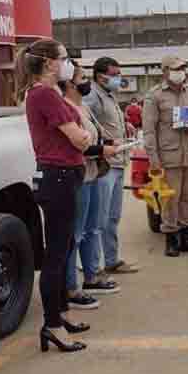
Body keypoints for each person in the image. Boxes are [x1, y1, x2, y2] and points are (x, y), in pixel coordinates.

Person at [17, 39, 92, 353]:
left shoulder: (50, 93)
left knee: (65, 246)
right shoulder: (44, 94)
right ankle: (52, 325)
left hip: (63, 177)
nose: (68, 64)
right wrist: (84, 135)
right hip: (58, 178)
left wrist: (84, 137)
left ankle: (61, 314)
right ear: (49, 63)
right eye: (64, 58)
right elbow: (79, 140)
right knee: (57, 254)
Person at [143, 55, 188, 257]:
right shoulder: (155, 96)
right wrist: (154, 160)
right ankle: (171, 239)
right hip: (169, 158)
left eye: (183, 68)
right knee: (170, 200)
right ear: (165, 71)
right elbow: (149, 130)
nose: (181, 72)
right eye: (176, 69)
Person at [60, 65, 119, 310]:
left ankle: (91, 276)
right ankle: (71, 287)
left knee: (93, 228)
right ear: (69, 83)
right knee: (76, 233)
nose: (87, 82)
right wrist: (102, 149)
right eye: (83, 78)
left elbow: (94, 137)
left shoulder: (83, 107)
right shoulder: (66, 108)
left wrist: (107, 144)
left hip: (93, 172)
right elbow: (79, 144)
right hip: (80, 175)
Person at [85, 56, 139, 280]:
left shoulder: (108, 95)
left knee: (112, 217)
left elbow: (106, 123)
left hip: (118, 162)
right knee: (99, 219)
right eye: (114, 74)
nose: (119, 78)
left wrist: (125, 125)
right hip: (105, 165)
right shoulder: (92, 95)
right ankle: (93, 267)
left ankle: (111, 260)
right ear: (100, 76)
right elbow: (85, 124)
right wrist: (103, 144)